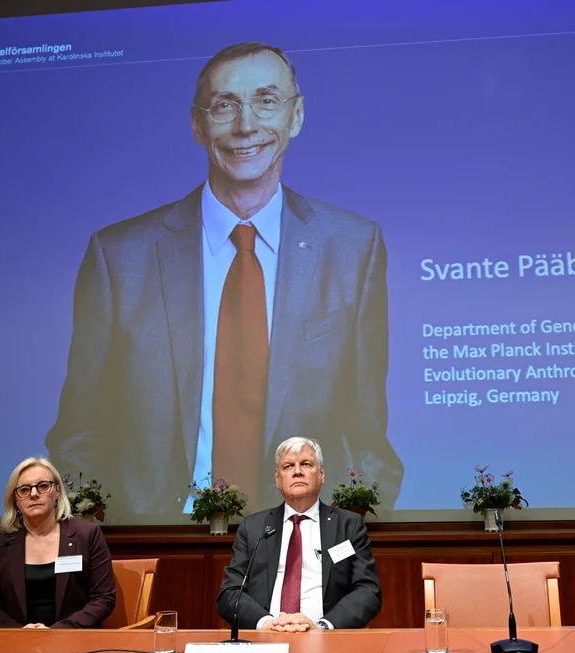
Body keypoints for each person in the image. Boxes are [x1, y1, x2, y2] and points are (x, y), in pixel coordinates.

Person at [45, 41, 402, 515]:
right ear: (197, 124)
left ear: (296, 116)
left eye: (266, 100)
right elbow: (80, 432)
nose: (246, 124)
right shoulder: (118, 256)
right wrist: (106, 536)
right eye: (224, 105)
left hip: (301, 539)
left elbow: (366, 434)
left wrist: (345, 534)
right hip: (159, 538)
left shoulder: (354, 247)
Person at [216, 437, 381, 631]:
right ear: (278, 479)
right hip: (267, 637)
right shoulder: (254, 528)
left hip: (325, 638)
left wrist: (323, 627)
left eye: (306, 464)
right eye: (288, 466)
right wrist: (266, 623)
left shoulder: (349, 526)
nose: (297, 472)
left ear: (321, 474)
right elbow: (230, 593)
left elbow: (368, 591)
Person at [0, 457, 116, 628]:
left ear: (57, 491)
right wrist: (19, 632)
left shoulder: (86, 535)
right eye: (24, 489)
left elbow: (103, 598)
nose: (34, 494)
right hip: (17, 640)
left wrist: (57, 631)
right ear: (15, 500)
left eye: (43, 486)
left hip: (73, 637)